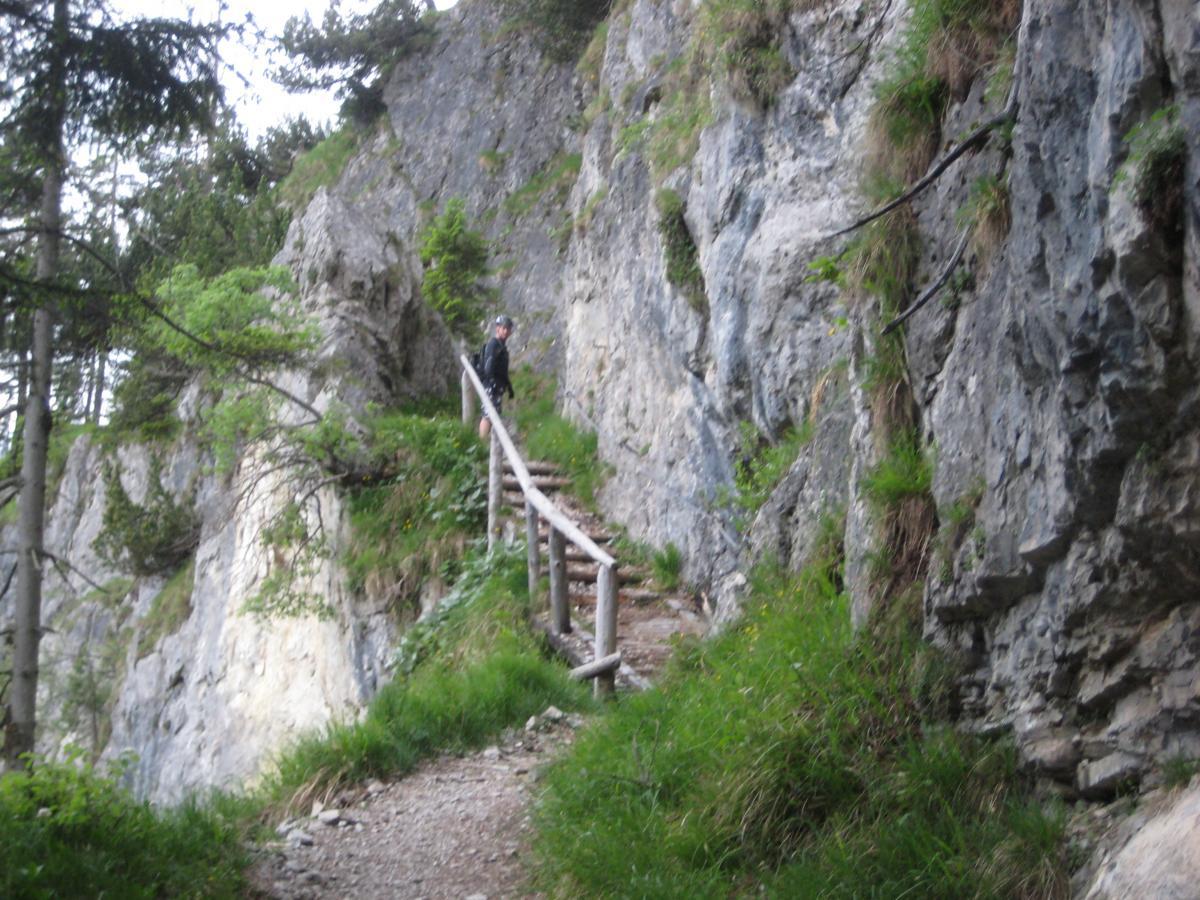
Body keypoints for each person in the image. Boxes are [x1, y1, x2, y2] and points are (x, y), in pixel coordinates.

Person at [479, 314, 515, 439]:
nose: (505, 331)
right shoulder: (493, 344)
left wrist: (509, 387)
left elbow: (503, 371)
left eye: (508, 329)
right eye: (503, 328)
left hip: (498, 386)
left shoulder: (502, 347)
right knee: (487, 415)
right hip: (490, 385)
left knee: (494, 414)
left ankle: (488, 443)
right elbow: (489, 365)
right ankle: (481, 443)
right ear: (497, 329)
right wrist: (491, 381)